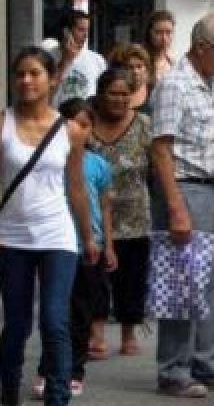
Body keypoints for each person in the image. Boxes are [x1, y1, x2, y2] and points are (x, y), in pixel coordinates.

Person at [149, 13, 214, 398]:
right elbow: (161, 148)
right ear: (202, 47)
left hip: (212, 187)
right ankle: (174, 368)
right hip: (185, 187)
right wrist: (175, 207)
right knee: (181, 279)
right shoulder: (174, 85)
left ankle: (209, 362)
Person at [0, 46, 95, 406]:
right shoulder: (3, 124)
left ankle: (58, 397)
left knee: (55, 322)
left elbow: (76, 187)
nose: (26, 81)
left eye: (34, 73)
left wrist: (89, 237)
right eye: (20, 74)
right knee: (16, 327)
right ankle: (9, 391)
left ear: (52, 79)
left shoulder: (71, 130)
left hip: (57, 235)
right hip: (11, 237)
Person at [31, 98, 117, 400]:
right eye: (73, 123)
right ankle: (48, 369)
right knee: (54, 315)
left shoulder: (99, 165)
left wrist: (106, 244)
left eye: (85, 124)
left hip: (86, 246)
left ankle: (74, 371)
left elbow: (105, 207)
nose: (79, 130)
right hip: (54, 242)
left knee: (79, 314)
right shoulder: (49, 159)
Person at [85, 68, 153, 360]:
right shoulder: (86, 125)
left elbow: (159, 165)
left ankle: (129, 332)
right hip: (96, 218)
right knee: (95, 277)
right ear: (101, 95)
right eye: (113, 93)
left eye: (125, 94)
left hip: (135, 215)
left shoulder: (144, 125)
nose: (119, 99)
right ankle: (96, 332)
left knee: (132, 279)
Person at [52, 9, 107, 107]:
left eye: (87, 30)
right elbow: (47, 90)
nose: (85, 35)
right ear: (66, 31)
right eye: (81, 30)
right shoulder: (49, 56)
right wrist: (66, 60)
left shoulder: (97, 60)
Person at [108, 43, 154, 113]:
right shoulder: (109, 94)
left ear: (147, 68)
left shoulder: (155, 92)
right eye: (129, 67)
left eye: (139, 66)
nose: (135, 72)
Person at [145, 10, 176, 82]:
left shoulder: (173, 63)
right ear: (150, 33)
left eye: (168, 32)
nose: (164, 38)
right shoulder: (141, 61)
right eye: (158, 32)